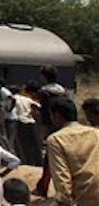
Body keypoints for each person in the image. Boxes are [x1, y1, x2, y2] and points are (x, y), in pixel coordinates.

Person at [47, 96, 99, 206]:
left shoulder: (56, 140)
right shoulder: (95, 133)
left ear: (57, 116)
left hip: (90, 201)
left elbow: (62, 179)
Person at [34, 65, 66, 197]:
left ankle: (43, 188)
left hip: (50, 127)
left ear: (45, 76)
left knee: (49, 158)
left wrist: (44, 129)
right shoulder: (61, 90)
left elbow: (46, 114)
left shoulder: (44, 92)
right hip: (64, 125)